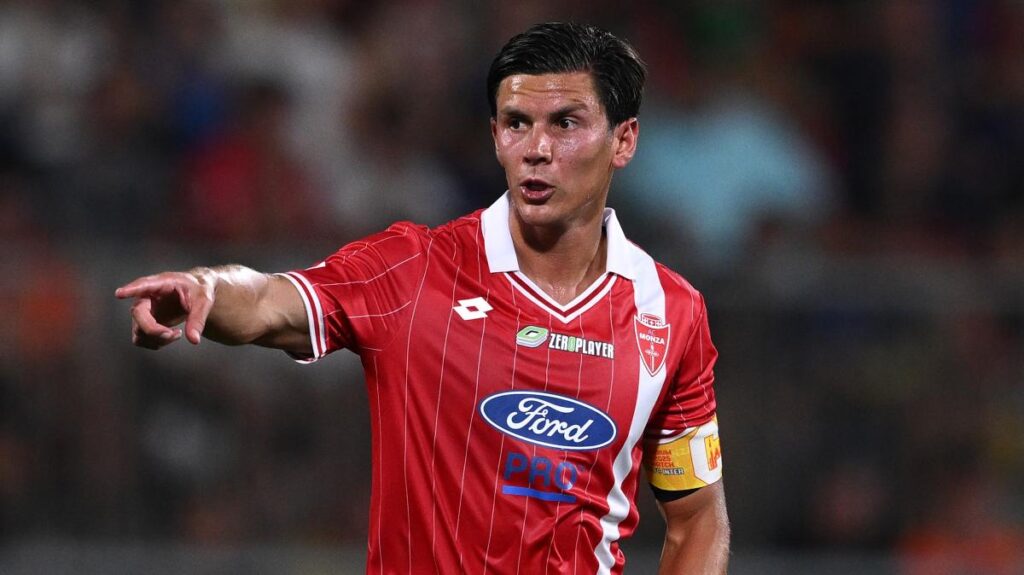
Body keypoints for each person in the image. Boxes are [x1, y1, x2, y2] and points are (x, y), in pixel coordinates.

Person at [116, 22, 730, 574]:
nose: (536, 148)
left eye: (565, 123)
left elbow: (697, 518)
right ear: (495, 136)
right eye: (517, 123)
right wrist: (208, 286)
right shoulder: (414, 269)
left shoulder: (670, 313)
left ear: (623, 141)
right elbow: (270, 301)